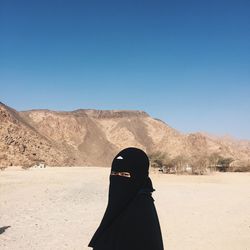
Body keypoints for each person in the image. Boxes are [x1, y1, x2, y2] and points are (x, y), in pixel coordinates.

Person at [88, 147, 164, 250]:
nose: (118, 179)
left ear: (139, 176)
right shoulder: (119, 209)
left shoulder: (141, 213)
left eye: (125, 174)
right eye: (114, 174)